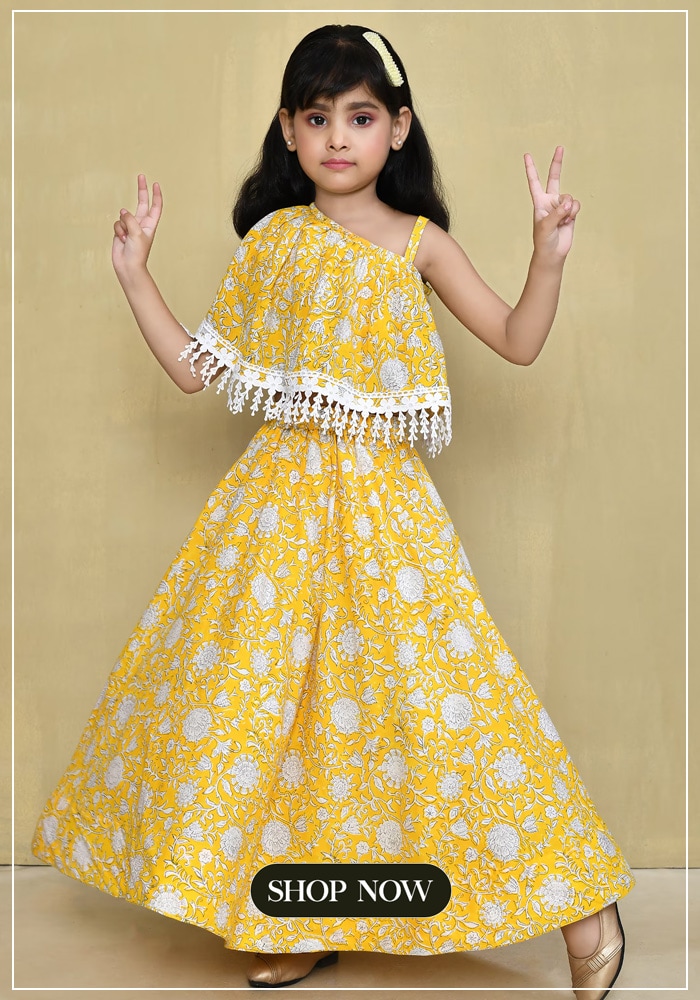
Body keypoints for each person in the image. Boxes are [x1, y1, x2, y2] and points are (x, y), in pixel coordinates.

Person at [31, 23, 634, 998]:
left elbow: (517, 340)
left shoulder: (420, 245)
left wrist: (549, 257)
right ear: (288, 130)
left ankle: (584, 905)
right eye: (317, 119)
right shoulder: (274, 243)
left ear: (398, 127)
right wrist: (135, 273)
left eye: (359, 117)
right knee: (272, 712)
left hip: (385, 514)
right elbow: (193, 371)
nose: (338, 137)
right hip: (274, 514)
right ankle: (299, 910)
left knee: (449, 706)